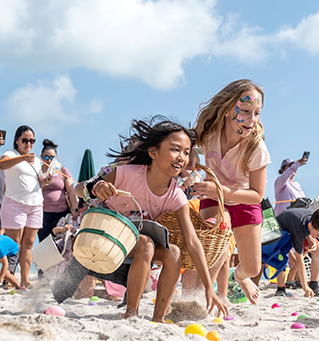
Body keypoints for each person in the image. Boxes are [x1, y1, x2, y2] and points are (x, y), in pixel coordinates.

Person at [75, 117, 227, 320]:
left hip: (135, 245)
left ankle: (159, 318)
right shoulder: (124, 174)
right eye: (175, 149)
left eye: (186, 152)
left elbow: (192, 241)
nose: (182, 157)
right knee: (146, 243)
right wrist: (96, 187)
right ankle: (131, 313)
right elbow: (79, 188)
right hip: (104, 237)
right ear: (153, 152)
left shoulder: (176, 196)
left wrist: (210, 287)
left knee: (173, 252)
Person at [192, 79, 271, 305]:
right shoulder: (208, 133)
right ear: (228, 110)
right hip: (214, 198)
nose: (251, 120)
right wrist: (191, 156)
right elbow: (188, 145)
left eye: (256, 113)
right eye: (245, 111)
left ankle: (240, 276)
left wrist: (223, 190)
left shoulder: (256, 148)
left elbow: (256, 194)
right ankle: (199, 297)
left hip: (245, 200)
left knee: (253, 267)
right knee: (217, 240)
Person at [0, 125, 50, 289]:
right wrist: (22, 158)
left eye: (32, 141)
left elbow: (37, 178)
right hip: (15, 203)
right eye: (25, 140)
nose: (29, 144)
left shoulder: (35, 159)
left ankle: (25, 279)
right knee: (14, 244)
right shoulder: (11, 154)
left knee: (29, 244)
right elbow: (2, 165)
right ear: (17, 140)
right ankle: (9, 279)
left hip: (35, 203)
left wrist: (45, 180)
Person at [266, 208, 319, 297]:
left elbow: (308, 228)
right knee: (281, 256)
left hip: (301, 227)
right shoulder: (300, 229)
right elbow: (299, 261)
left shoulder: (316, 218)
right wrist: (305, 286)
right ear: (311, 225)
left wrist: (313, 241)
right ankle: (281, 289)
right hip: (282, 230)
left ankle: (314, 285)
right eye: (318, 235)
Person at [38, 139, 79, 242]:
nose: (49, 160)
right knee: (45, 244)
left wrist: (74, 209)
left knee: (60, 242)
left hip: (61, 213)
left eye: (52, 157)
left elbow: (71, 191)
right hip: (42, 213)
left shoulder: (63, 171)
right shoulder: (37, 171)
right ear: (41, 157)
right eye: (46, 157)